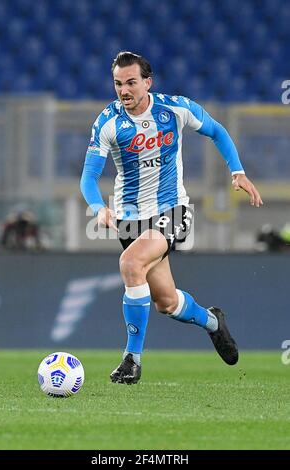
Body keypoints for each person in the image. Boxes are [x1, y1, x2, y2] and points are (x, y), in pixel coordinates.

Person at [80, 51, 263, 384]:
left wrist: (237, 172)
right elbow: (88, 176)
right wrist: (98, 208)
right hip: (130, 219)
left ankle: (131, 360)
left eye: (132, 82)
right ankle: (212, 322)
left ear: (148, 82)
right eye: (118, 84)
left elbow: (217, 131)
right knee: (166, 302)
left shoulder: (175, 108)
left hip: (172, 211)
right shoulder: (107, 121)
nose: (125, 90)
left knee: (130, 264)